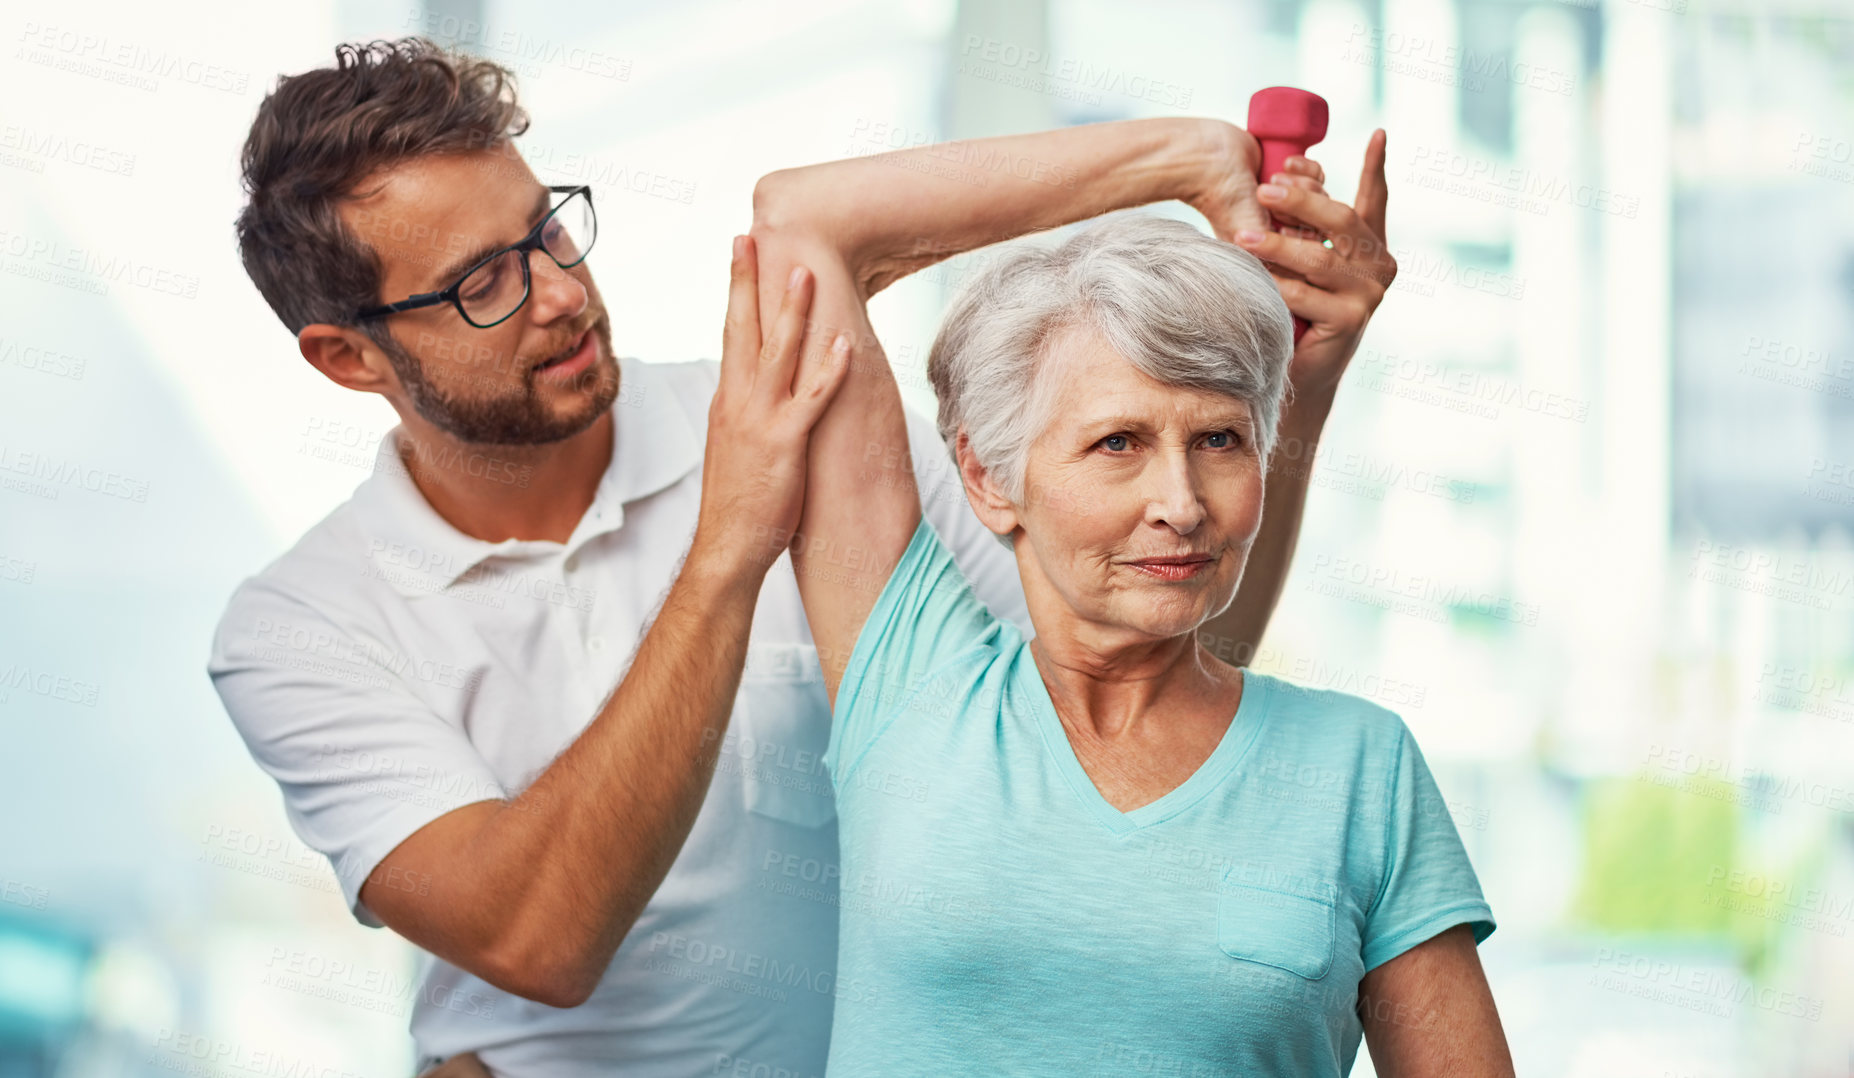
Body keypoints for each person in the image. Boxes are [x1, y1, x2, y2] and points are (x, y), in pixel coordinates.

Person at [206, 37, 1361, 1075]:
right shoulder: (301, 626)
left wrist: (1283, 365)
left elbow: (1151, 664)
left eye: (546, 229)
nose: (561, 293)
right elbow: (538, 936)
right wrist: (731, 543)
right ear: (348, 360)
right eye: (482, 283)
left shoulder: (795, 414)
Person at [734, 128, 1514, 1074]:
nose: (1181, 505)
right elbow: (802, 217)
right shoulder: (910, 678)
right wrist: (1186, 161)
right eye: (1118, 444)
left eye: (1222, 441)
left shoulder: (1362, 768)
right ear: (988, 477)